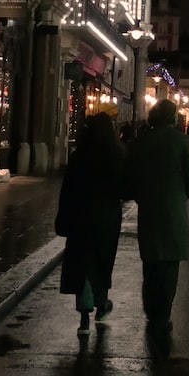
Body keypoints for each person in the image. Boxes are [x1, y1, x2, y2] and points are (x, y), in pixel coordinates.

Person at [124, 99, 189, 353]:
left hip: (149, 213)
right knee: (169, 270)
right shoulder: (182, 142)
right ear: (173, 117)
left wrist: (143, 196)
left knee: (151, 265)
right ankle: (162, 317)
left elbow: (130, 176)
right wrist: (177, 196)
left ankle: (150, 310)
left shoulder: (142, 142)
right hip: (173, 213)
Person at [55, 113, 126, 338]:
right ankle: (101, 303)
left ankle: (84, 317)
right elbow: (124, 188)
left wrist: (63, 217)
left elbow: (67, 190)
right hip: (106, 217)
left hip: (80, 217)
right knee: (102, 262)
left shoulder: (79, 157)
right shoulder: (115, 156)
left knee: (82, 264)